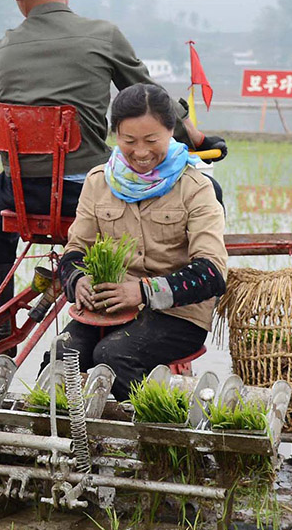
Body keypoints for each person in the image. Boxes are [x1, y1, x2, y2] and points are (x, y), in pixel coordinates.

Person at [0, 0, 226, 346]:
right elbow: (150, 99)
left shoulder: (2, 47)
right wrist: (196, 137)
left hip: (19, 197)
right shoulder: (102, 35)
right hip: (87, 195)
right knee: (207, 189)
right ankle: (186, 297)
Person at [53, 82, 227, 400]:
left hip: (177, 315)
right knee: (60, 357)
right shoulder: (98, 183)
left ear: (171, 132)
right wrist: (78, 282)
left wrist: (143, 291)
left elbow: (212, 273)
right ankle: (66, 441)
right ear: (115, 135)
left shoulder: (196, 187)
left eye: (152, 140)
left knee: (113, 356)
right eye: (129, 141)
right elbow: (74, 252)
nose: (141, 152)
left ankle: (151, 435)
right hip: (108, 307)